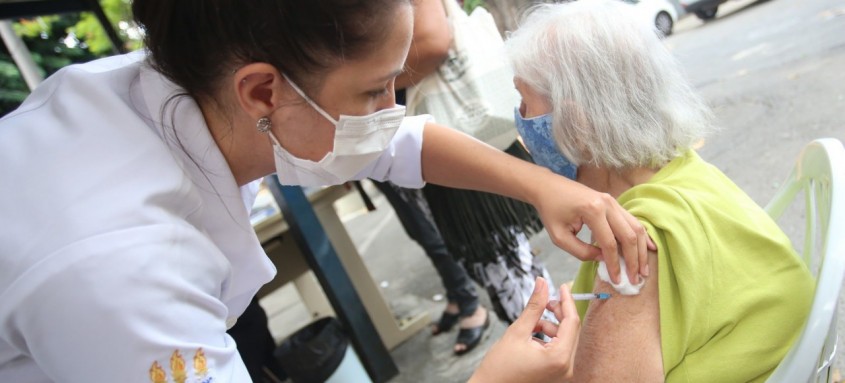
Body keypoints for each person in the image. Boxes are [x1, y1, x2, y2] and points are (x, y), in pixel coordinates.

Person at [0, 0, 650, 381]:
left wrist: (542, 186)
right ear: (261, 91)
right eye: (374, 91)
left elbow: (393, 141)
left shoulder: (201, 91)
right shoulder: (117, 269)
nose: (388, 108)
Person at [503, 1, 814, 381]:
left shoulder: (635, 240)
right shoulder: (681, 168)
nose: (520, 118)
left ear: (578, 125)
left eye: (524, 100)